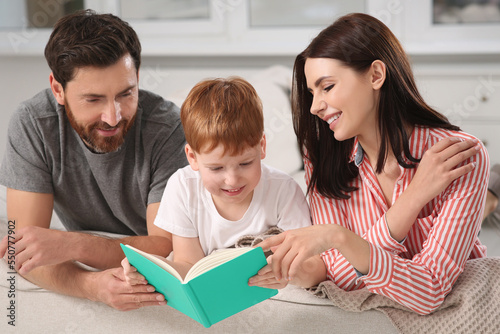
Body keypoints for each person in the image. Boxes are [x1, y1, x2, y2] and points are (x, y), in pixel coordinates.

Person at [249, 13, 489, 315]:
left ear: (376, 75)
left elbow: (429, 291)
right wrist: (411, 201)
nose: (314, 106)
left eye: (327, 87)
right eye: (312, 93)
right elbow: (339, 277)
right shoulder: (322, 156)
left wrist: (342, 242)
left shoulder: (460, 156)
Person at [0, 10, 187, 311]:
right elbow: (21, 250)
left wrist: (72, 244)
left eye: (126, 94)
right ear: (57, 89)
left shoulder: (168, 129)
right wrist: (88, 285)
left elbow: (164, 247)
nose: (112, 116)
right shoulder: (33, 123)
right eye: (93, 99)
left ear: (137, 77)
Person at [122, 77, 317, 289]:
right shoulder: (182, 187)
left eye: (245, 163)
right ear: (192, 157)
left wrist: (288, 271)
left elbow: (312, 265)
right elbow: (189, 265)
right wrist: (146, 267)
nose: (232, 180)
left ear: (261, 146)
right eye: (216, 168)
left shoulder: (284, 190)